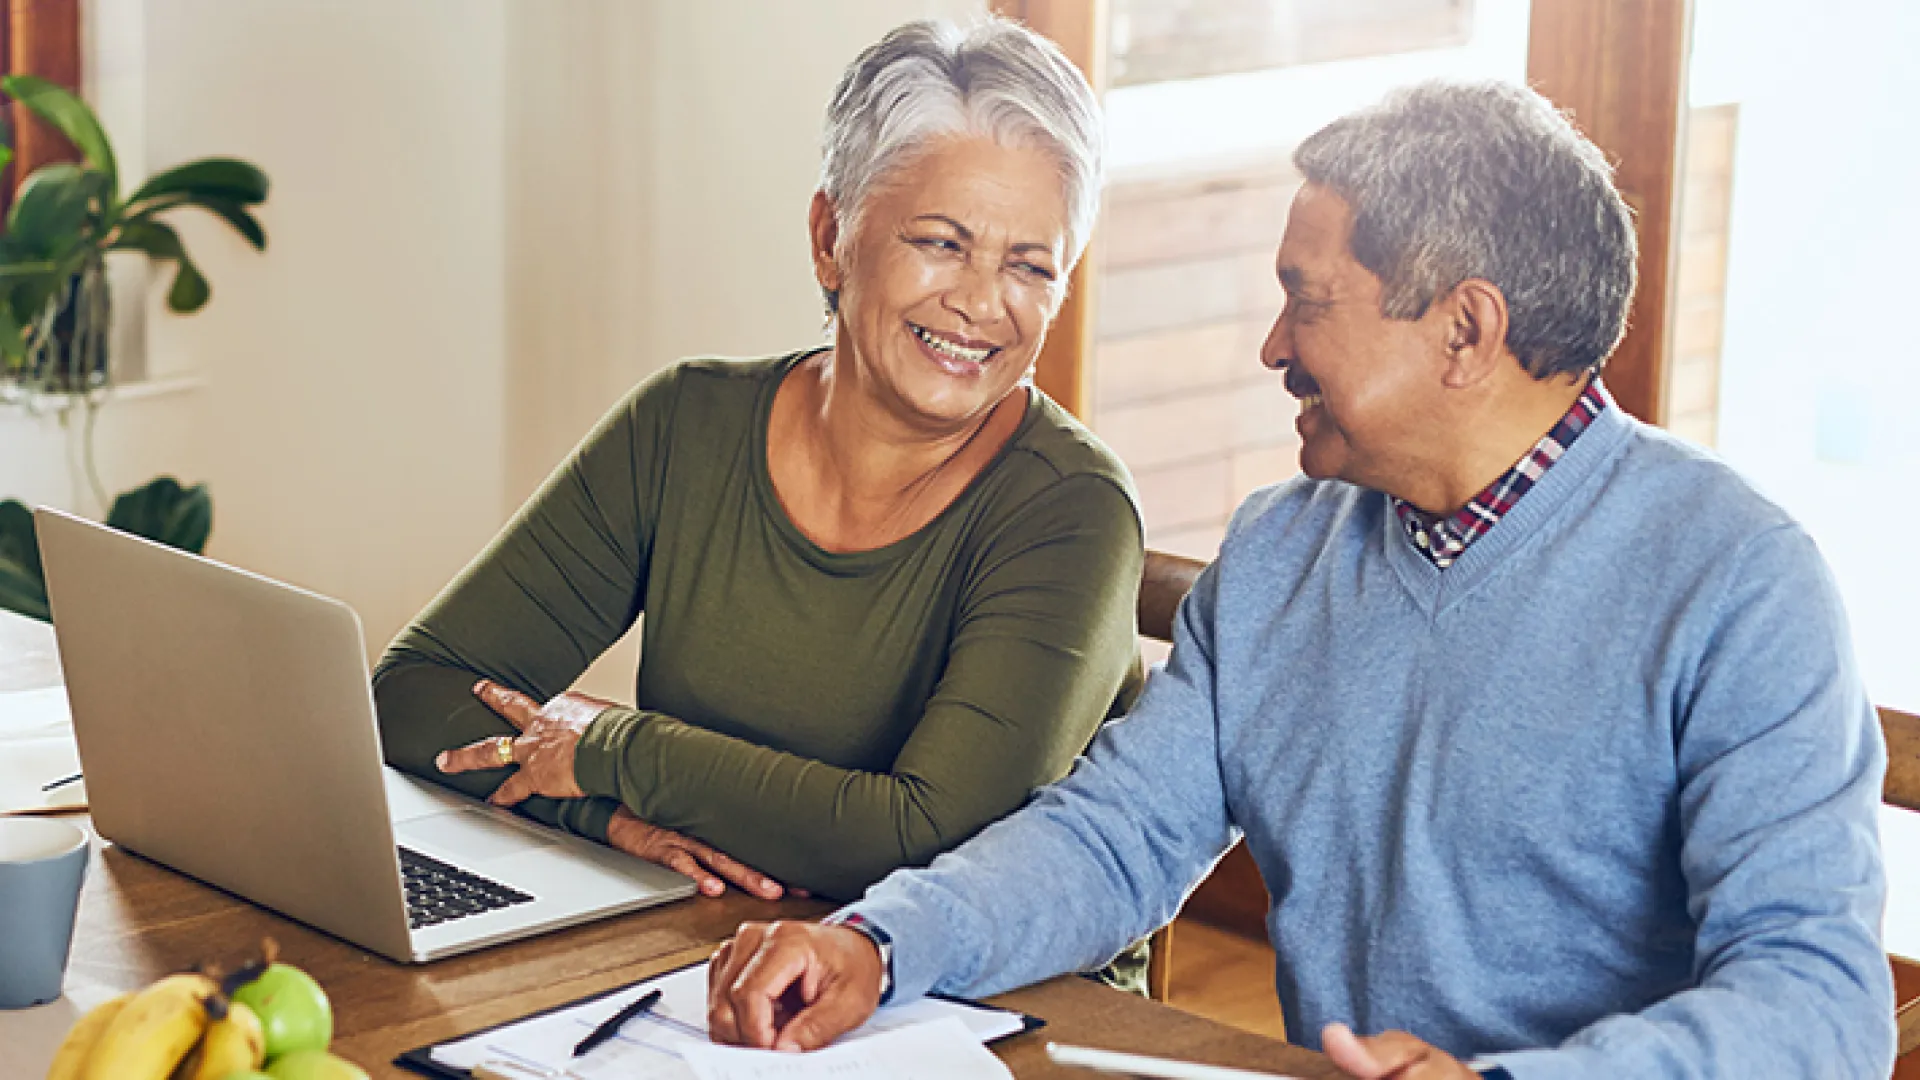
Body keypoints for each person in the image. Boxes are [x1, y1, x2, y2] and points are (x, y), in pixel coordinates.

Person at [704, 80, 1895, 1078]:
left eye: (1307, 302)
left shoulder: (1740, 582)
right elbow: (1114, 840)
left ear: (1466, 333)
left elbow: (1819, 1004)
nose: (1274, 347)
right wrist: (882, 942)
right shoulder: (1284, 549)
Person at [372, 18, 1145, 921]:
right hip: (702, 942)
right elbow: (416, 695)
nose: (981, 302)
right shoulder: (684, 425)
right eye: (941, 242)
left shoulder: (1074, 512)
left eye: (1030, 265)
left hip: (982, 1003)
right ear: (831, 235)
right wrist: (596, 811)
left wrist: (611, 748)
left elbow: (928, 841)